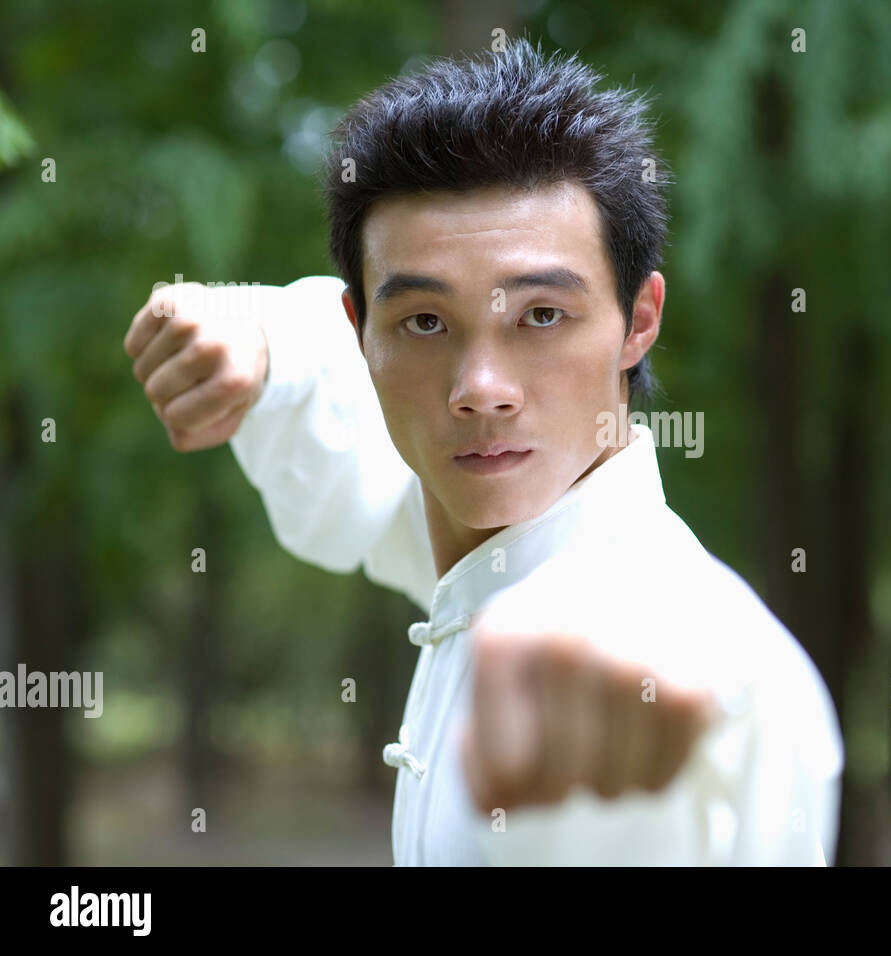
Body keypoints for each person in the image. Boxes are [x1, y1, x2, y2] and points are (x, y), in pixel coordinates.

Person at [123, 39, 843, 865]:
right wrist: (261, 335)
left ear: (639, 321)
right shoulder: (479, 550)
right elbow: (352, 489)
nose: (480, 388)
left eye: (542, 315)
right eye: (424, 322)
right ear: (362, 336)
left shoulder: (711, 659)